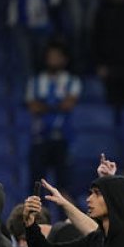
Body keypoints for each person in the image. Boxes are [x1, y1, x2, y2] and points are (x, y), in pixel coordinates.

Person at [26, 43, 81, 192]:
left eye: (57, 57)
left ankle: (66, 215)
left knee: (64, 185)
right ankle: (35, 214)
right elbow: (32, 106)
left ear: (64, 59)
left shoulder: (72, 80)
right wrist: (57, 105)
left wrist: (44, 106)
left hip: (62, 138)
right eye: (51, 57)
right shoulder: (36, 81)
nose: (53, 60)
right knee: (36, 184)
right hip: (40, 138)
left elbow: (68, 104)